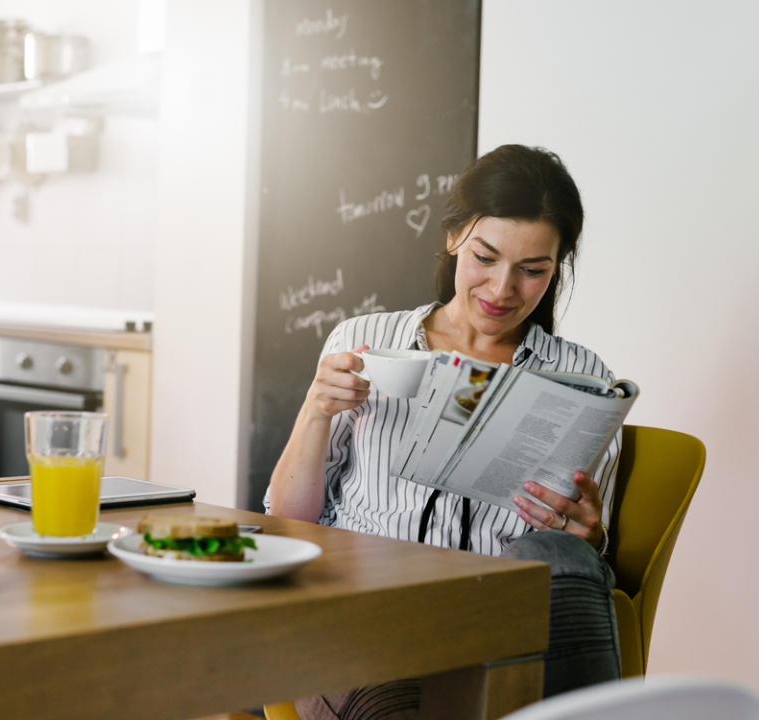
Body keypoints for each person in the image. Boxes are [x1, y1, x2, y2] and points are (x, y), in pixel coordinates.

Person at [266, 144, 621, 720]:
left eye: (534, 271)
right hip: (362, 611)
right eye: (486, 256)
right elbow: (290, 520)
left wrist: (585, 536)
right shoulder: (365, 340)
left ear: (558, 268)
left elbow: (575, 559)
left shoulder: (584, 380)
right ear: (455, 235)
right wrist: (316, 411)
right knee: (398, 682)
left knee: (562, 556)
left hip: (498, 629)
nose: (503, 289)